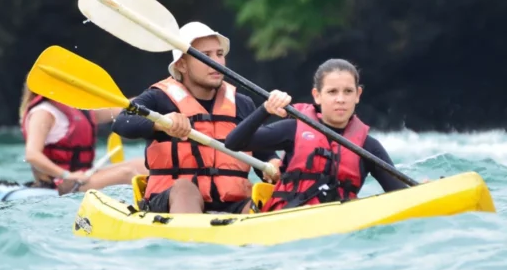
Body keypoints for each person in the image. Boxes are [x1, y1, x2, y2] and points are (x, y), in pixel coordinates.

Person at [111, 21, 281, 214]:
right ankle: (188, 235)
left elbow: (264, 155)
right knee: (185, 188)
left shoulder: (243, 104)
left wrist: (274, 165)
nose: (215, 62)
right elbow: (122, 122)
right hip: (170, 201)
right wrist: (160, 123)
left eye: (219, 54)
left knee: (266, 202)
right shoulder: (159, 98)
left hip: (232, 204)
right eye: (205, 56)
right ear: (182, 64)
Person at [223, 58, 409, 211]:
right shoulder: (293, 129)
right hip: (288, 218)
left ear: (358, 94)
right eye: (332, 92)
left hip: (340, 224)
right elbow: (233, 143)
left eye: (348, 91)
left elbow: (400, 195)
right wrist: (265, 109)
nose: (340, 99)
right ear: (317, 95)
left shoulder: (368, 147)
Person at [19, 83, 146, 193]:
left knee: (143, 164)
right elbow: (32, 155)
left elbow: (121, 109)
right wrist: (67, 175)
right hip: (60, 183)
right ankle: (155, 203)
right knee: (125, 173)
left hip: (84, 176)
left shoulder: (76, 109)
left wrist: (152, 97)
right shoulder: (43, 112)